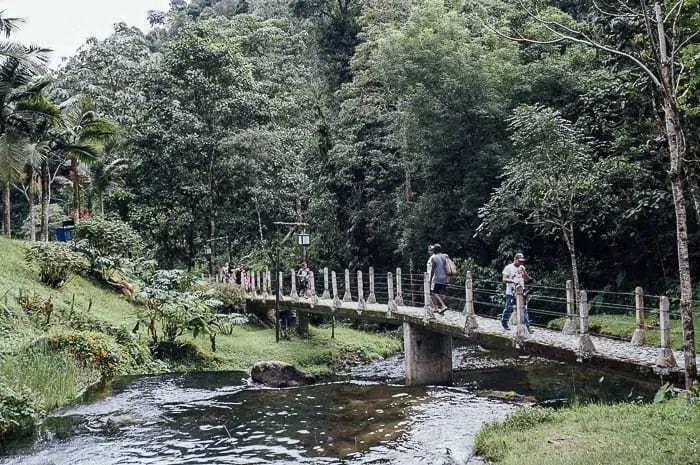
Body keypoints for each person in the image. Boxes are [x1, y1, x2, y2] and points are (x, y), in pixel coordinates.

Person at [501, 252, 530, 331]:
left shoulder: (522, 267)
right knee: (508, 308)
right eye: (519, 261)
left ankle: (527, 327)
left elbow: (527, 279)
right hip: (511, 291)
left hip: (521, 292)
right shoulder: (508, 267)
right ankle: (504, 323)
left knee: (524, 309)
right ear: (515, 259)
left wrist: (524, 272)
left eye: (522, 261)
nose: (521, 263)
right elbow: (504, 279)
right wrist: (513, 281)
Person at [428, 243, 449, 314]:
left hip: (437, 278)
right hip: (445, 277)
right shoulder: (445, 256)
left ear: (434, 250)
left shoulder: (434, 258)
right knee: (441, 293)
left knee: (434, 293)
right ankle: (438, 308)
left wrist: (430, 279)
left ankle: (443, 306)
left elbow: (432, 270)